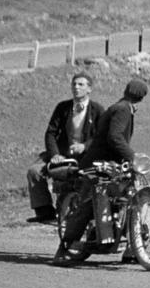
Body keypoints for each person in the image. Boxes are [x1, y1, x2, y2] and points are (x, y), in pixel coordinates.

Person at [52, 77, 147, 266]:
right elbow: (114, 137)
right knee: (87, 205)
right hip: (96, 164)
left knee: (126, 198)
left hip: (107, 162)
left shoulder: (120, 107)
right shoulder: (122, 110)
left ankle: (132, 250)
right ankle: (64, 248)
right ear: (141, 97)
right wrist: (132, 156)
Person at [26, 72, 103, 223]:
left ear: (89, 89)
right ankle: (45, 213)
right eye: (74, 84)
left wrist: (84, 146)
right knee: (34, 171)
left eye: (81, 84)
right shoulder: (63, 108)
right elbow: (51, 133)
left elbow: (101, 137)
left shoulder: (98, 110)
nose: (76, 87)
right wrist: (54, 154)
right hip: (62, 153)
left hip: (85, 156)